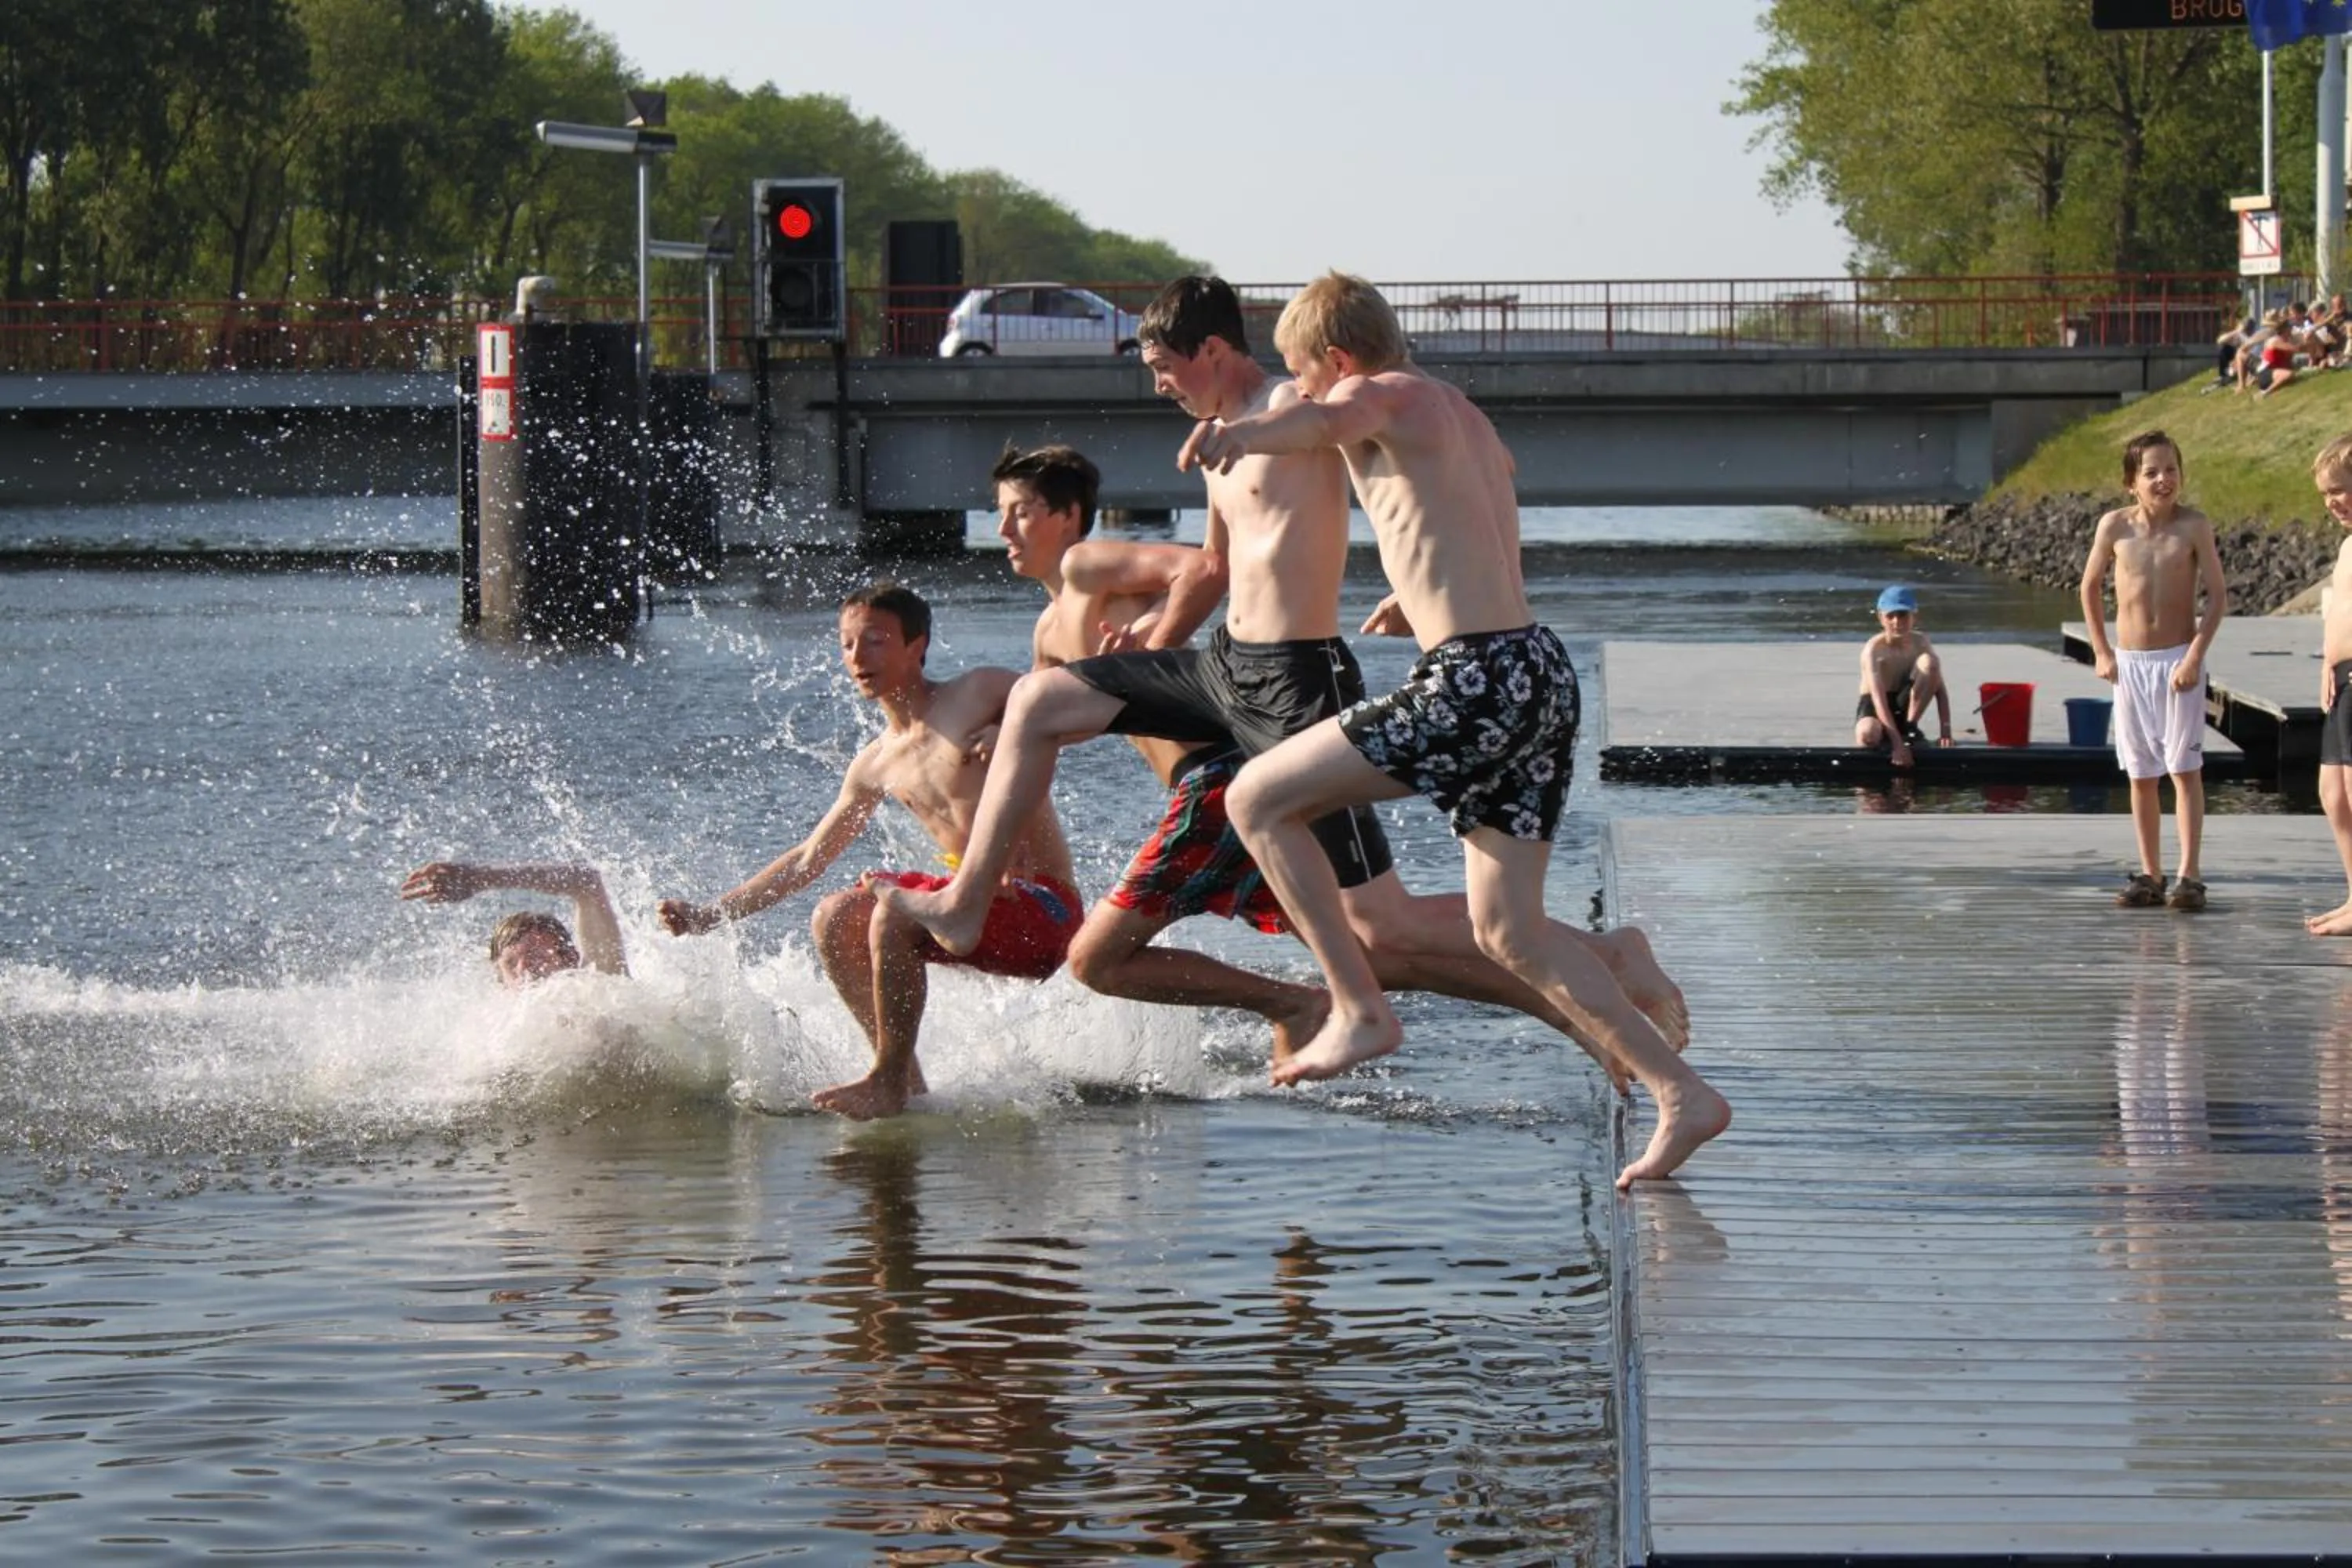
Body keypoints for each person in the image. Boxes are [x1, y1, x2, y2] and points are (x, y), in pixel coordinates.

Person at [876, 275, 1690, 1095]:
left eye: (1164, 365)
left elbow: (1419, 461)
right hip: (1226, 664)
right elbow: (1214, 564)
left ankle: (1595, 966)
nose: (1156, 383)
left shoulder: (1296, 409)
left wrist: (1268, 433)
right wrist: (1151, 647)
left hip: (1296, 680)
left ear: (1215, 351)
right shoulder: (1225, 430)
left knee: (1384, 928)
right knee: (1039, 700)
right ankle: (966, 899)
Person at [1177, 272, 1730, 1188]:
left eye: (1301, 374)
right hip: (1534, 667)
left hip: (1476, 680)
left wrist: (1242, 432)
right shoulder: (1458, 412)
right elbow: (1489, 498)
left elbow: (1316, 424)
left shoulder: (1370, 394)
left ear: (1339, 359)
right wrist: (1423, 589)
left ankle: (1357, 1005)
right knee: (1507, 929)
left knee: (1257, 798)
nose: (1300, 392)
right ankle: (1684, 1093)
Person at [656, 583, 1081, 1119]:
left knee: (894, 908)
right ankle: (907, 1083)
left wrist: (1014, 730)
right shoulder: (876, 763)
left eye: (876, 641)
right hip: (970, 911)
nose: (858, 657)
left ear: (917, 645)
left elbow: (1073, 704)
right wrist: (712, 914)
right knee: (835, 916)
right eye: (847, 644)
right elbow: (809, 858)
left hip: (1043, 910)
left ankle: (885, 1081)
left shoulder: (981, 692)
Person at [2078, 429, 2228, 912]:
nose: (2163, 479)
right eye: (2151, 472)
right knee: (2141, 773)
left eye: (2171, 470)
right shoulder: (2115, 527)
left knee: (2185, 769)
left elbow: (2218, 597)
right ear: (2131, 483)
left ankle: (2190, 874)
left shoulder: (2193, 526)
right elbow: (2089, 587)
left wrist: (2193, 658)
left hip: (2177, 662)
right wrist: (2102, 652)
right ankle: (2150, 873)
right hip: (2131, 665)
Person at [398, 860, 628, 984]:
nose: (525, 970)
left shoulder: (600, 990)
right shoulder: (489, 1038)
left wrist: (480, 878)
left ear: (568, 961)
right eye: (510, 963)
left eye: (538, 957)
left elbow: (586, 880)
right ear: (499, 976)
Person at [2307, 434, 2352, 936]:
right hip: (2341, 677)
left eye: (2338, 490)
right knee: (2332, 792)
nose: (2331, 502)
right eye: (2325, 494)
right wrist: (2326, 664)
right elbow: (2337, 611)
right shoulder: (2346, 547)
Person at [1854, 584, 1952, 765]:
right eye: (1890, 616)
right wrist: (1898, 746)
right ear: (1880, 618)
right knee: (1867, 735)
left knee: (1930, 663)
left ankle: (1910, 727)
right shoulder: (1874, 650)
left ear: (1914, 616)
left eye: (1903, 616)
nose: (1897, 622)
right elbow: (1878, 700)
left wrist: (1945, 732)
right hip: (1876, 707)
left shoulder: (1921, 642)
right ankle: (1894, 736)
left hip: (1904, 704)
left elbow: (1940, 688)